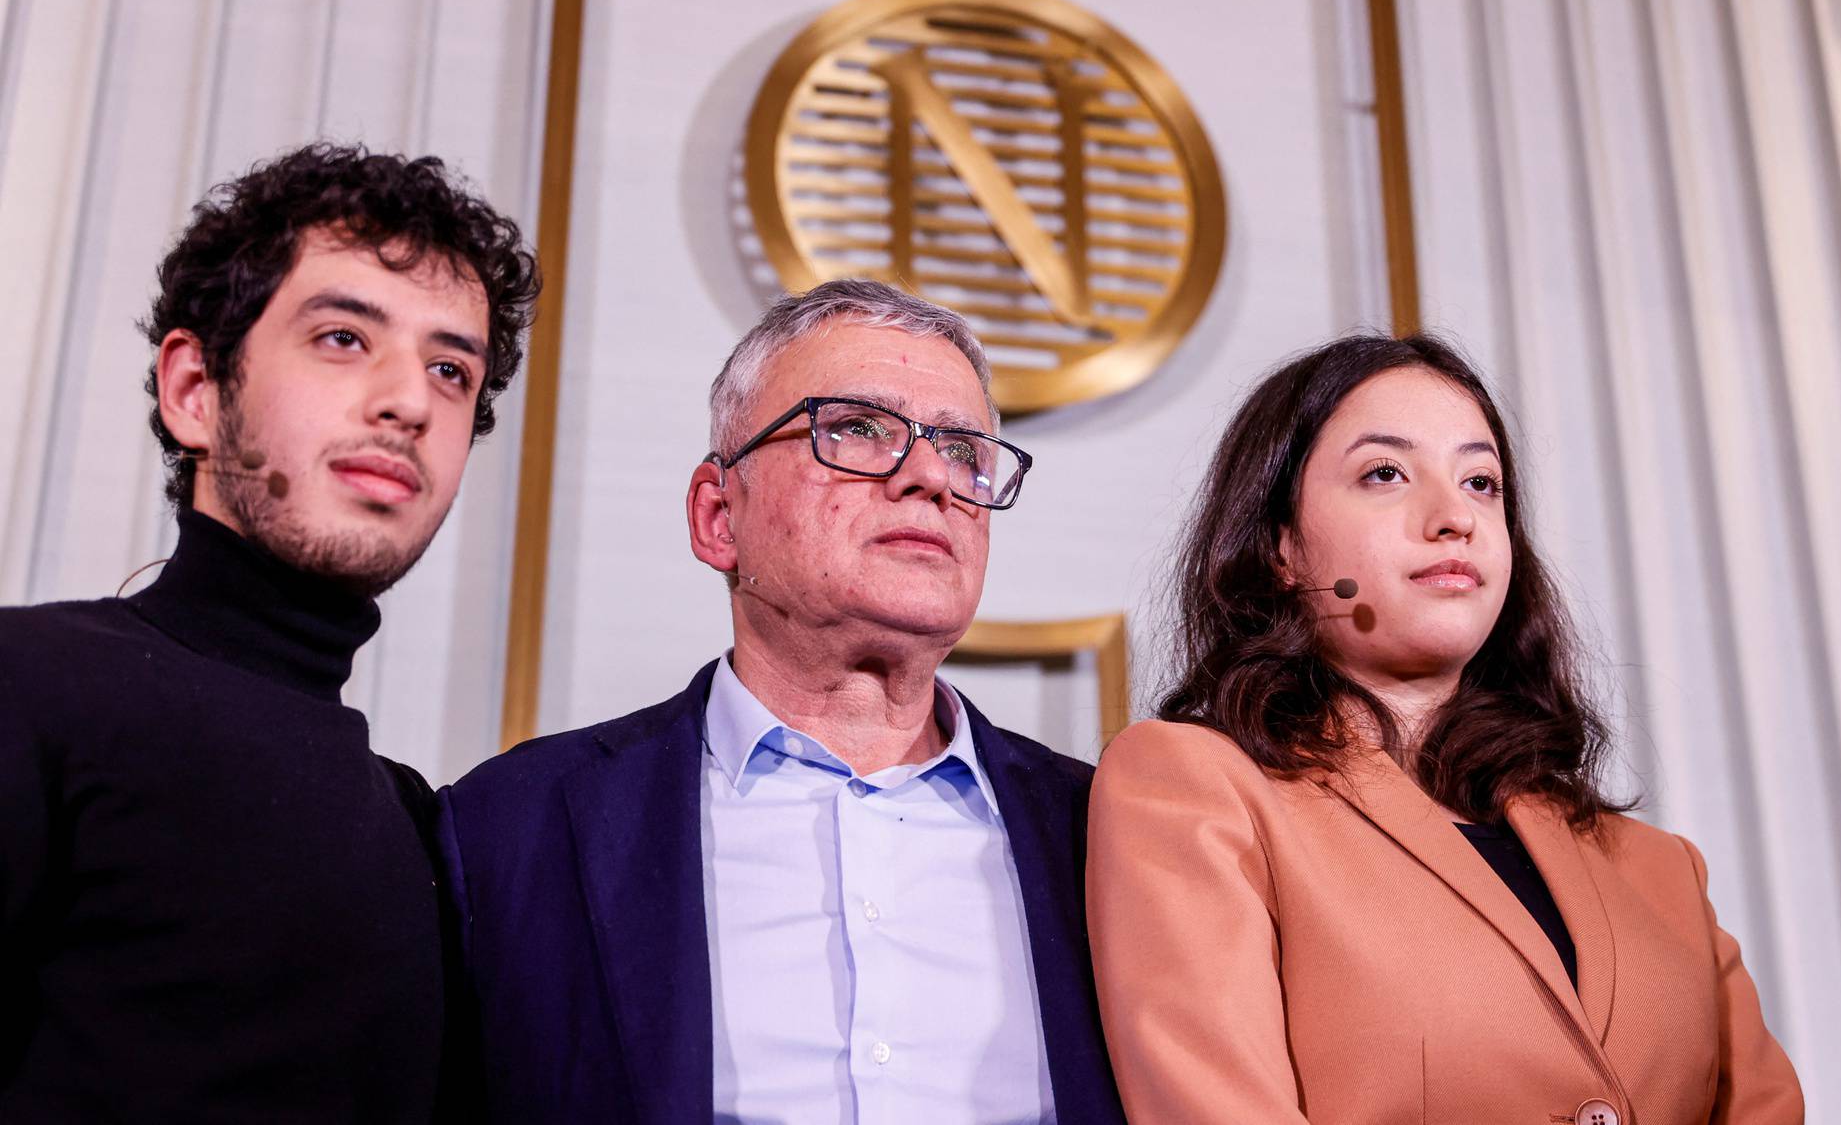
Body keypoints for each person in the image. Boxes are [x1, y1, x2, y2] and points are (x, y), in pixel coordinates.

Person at [436, 280, 1126, 1124]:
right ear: (718, 516)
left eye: (962, 449)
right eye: (857, 429)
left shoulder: (1107, 833)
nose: (928, 477)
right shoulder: (510, 827)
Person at [1087, 334, 1802, 1125]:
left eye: (1482, 481)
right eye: (1385, 472)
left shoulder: (1663, 868)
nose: (1454, 515)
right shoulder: (1194, 785)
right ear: (1280, 545)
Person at [0, 142, 540, 1122]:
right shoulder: (26, 687)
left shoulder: (425, 827)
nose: (409, 400)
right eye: (343, 337)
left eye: (451, 369)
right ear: (195, 390)